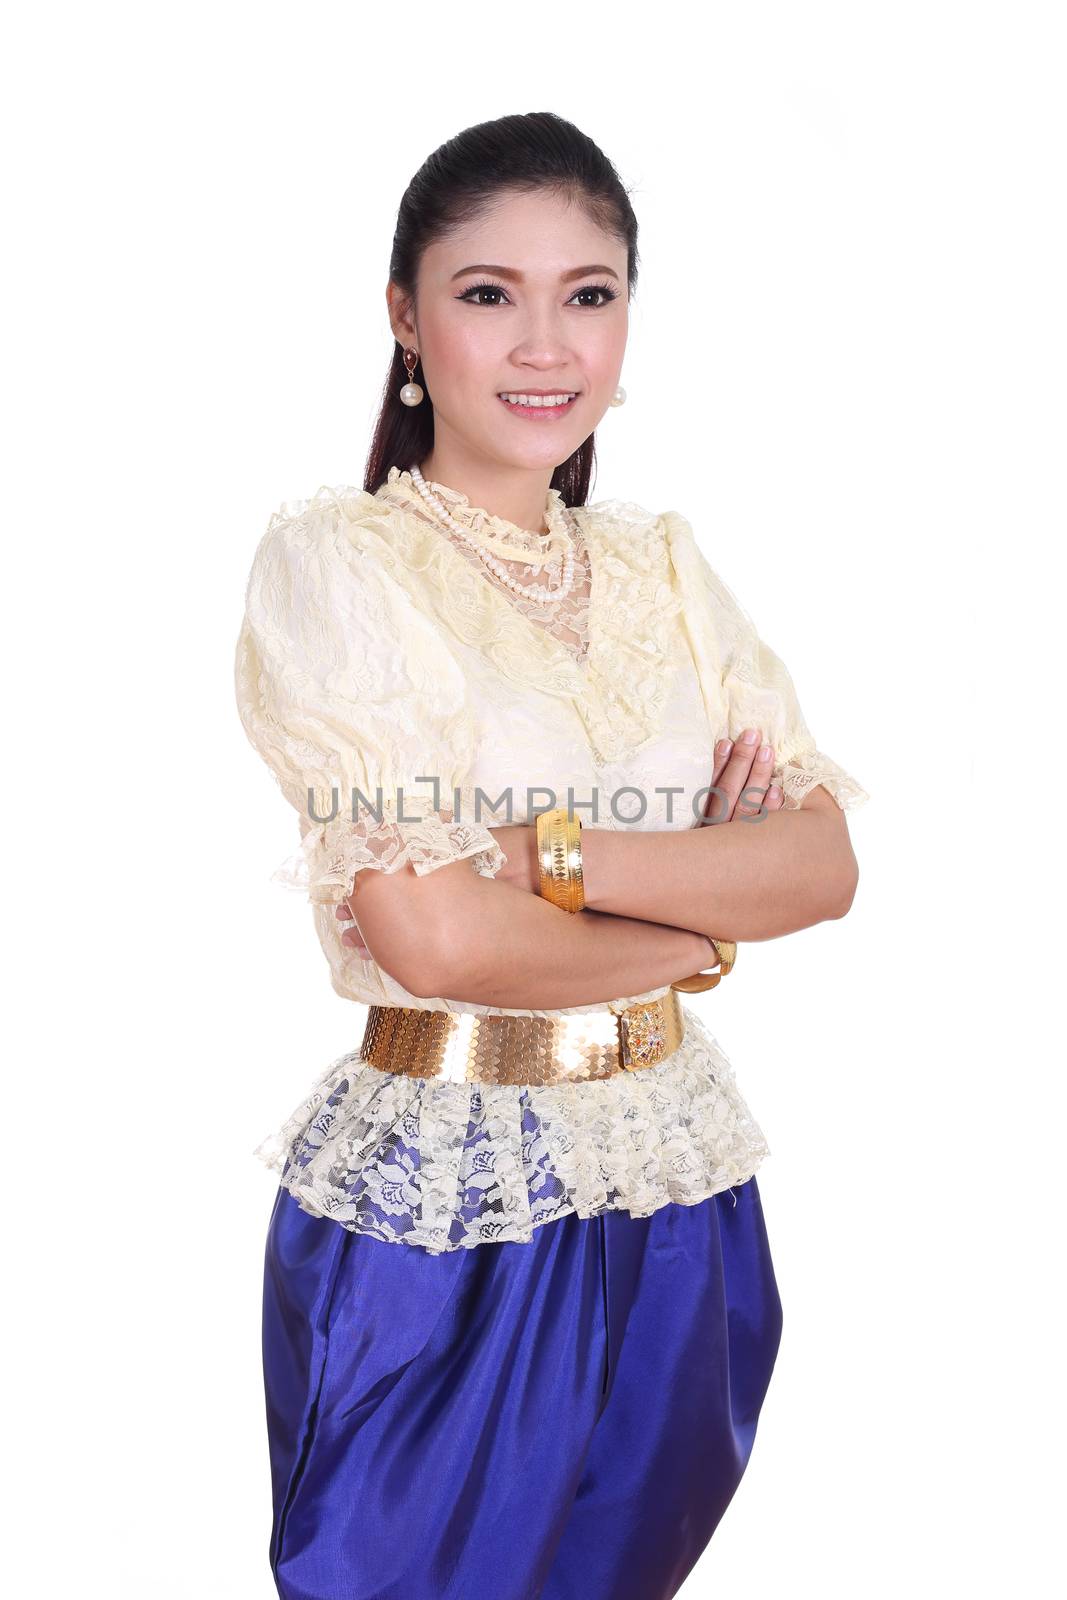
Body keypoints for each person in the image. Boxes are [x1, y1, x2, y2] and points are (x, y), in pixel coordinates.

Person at [234, 111, 869, 1600]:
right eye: (486, 292)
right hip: (447, 1202)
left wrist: (544, 855)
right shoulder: (341, 567)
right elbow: (437, 942)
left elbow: (823, 867)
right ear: (404, 314)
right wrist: (703, 924)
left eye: (588, 293)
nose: (545, 345)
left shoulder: (665, 566)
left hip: (680, 1183)